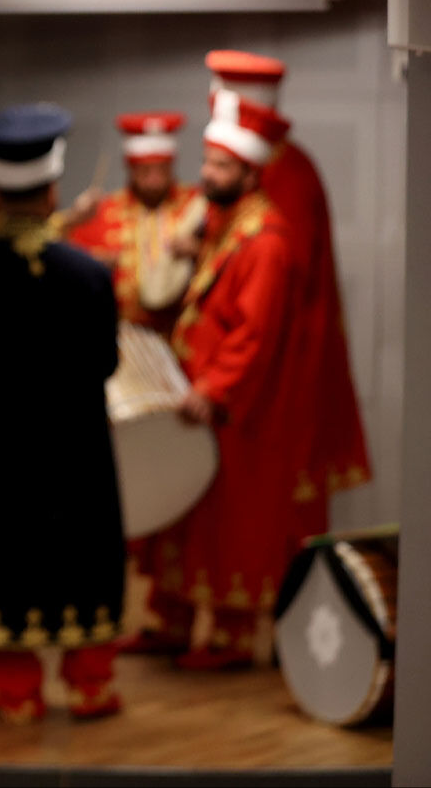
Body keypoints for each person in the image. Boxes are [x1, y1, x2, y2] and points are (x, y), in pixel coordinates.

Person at [0, 103, 125, 722]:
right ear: (52, 187)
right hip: (76, 451)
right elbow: (106, 361)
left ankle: (17, 694)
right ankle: (91, 686)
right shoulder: (89, 274)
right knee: (81, 551)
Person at [145, 89, 297, 669]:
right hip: (199, 399)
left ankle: (232, 639)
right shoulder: (228, 225)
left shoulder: (267, 242)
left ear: (251, 173)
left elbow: (253, 335)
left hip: (233, 412)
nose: (207, 174)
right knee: (187, 515)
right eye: (207, 162)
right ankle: (172, 622)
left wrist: (212, 390)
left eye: (222, 166)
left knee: (233, 522)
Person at [206, 49, 371, 535]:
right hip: (250, 366)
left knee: (268, 504)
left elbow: (273, 293)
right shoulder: (253, 175)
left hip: (279, 366)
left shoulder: (288, 179)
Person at [65, 111, 205, 333]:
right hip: (125, 338)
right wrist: (92, 266)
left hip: (185, 336)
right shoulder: (102, 212)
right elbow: (65, 269)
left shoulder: (198, 206)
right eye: (145, 171)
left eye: (162, 170)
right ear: (130, 169)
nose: (154, 180)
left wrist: (200, 252)